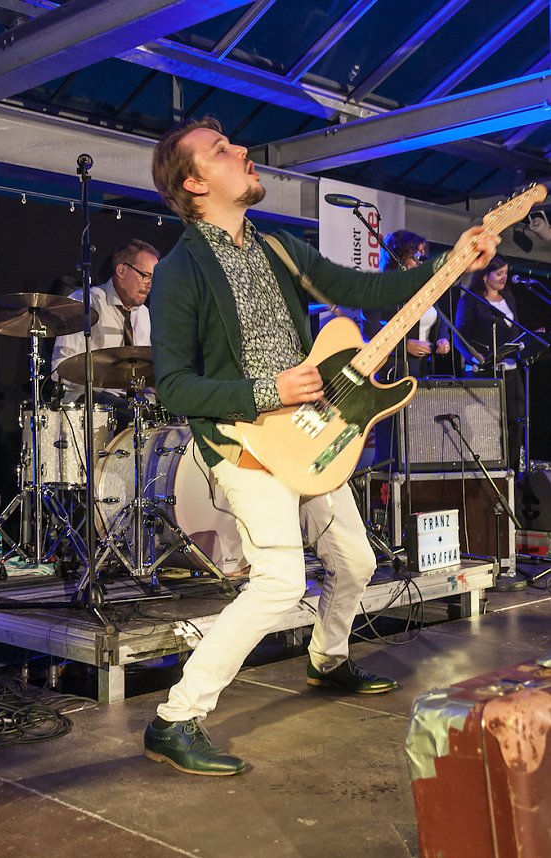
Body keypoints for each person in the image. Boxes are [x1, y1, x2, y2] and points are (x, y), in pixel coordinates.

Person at [145, 117, 499, 777]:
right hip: (246, 442)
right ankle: (175, 718)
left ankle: (327, 659)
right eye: (221, 150)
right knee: (279, 581)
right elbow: (173, 385)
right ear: (193, 183)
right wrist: (268, 389)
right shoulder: (179, 270)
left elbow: (367, 291)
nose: (242, 149)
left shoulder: (278, 247)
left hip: (309, 436)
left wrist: (451, 263)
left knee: (357, 562)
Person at [51, 238, 160, 407]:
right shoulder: (85, 303)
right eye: (145, 276)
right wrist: (109, 377)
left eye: (154, 278)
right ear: (121, 270)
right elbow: (61, 369)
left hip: (135, 403)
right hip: (92, 403)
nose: (149, 285)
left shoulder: (144, 314)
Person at [454, 253, 525, 473]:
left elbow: (515, 330)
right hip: (484, 373)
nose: (504, 277)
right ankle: (488, 473)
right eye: (499, 273)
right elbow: (459, 337)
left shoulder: (509, 298)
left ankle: (512, 473)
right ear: (484, 276)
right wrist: (475, 357)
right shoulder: (470, 300)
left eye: (506, 273)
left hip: (511, 371)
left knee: (515, 422)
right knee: (487, 425)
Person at [361, 229, 451, 380]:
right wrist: (404, 345)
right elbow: (370, 332)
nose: (420, 261)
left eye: (422, 255)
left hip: (423, 369)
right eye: (415, 255)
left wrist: (443, 338)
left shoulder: (425, 288)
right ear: (399, 257)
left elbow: (440, 319)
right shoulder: (378, 289)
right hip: (390, 370)